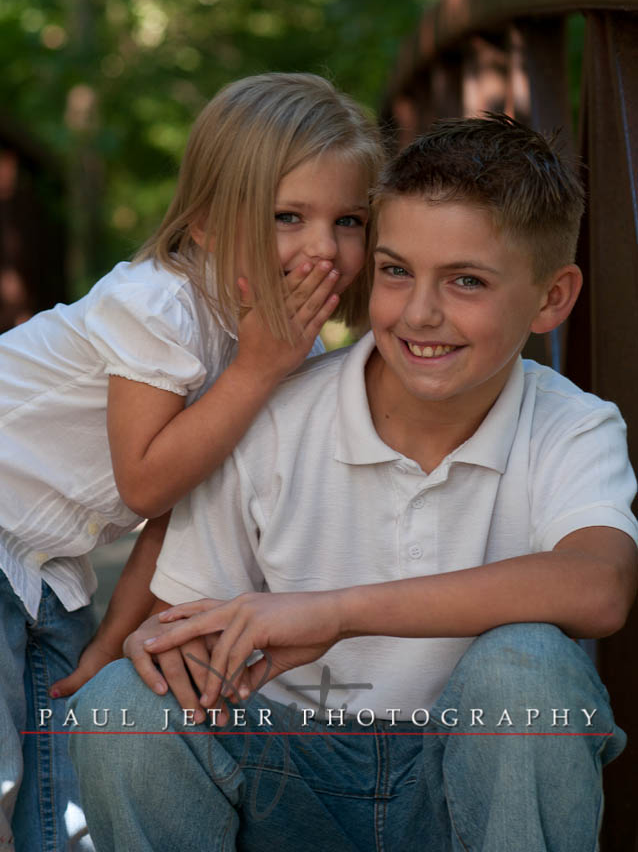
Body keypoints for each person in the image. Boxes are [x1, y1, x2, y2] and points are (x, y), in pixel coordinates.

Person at [70, 114, 638, 851]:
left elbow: (598, 587)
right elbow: (187, 621)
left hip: (464, 778)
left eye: (466, 280)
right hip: (285, 776)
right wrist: (166, 642)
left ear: (552, 298)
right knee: (128, 700)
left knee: (527, 673)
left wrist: (333, 613)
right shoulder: (272, 415)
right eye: (396, 270)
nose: (420, 313)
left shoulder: (571, 424)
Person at [0, 72, 383, 852]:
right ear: (207, 223)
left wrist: (112, 641)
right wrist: (254, 372)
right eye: (287, 217)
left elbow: (181, 507)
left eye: (349, 220)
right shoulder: (160, 304)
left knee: (61, 805)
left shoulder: (281, 347)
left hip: (49, 566)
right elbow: (146, 478)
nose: (324, 247)